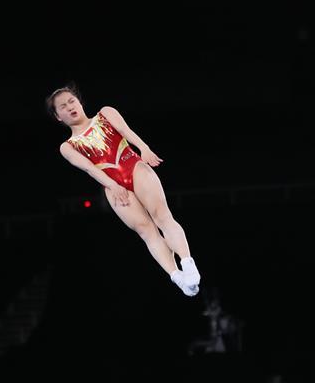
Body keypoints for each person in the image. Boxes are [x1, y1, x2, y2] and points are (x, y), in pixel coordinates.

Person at [47, 84, 201, 296]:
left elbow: (127, 132)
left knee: (162, 217)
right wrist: (112, 185)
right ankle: (177, 277)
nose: (70, 107)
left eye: (72, 101)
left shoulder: (105, 113)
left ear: (80, 102)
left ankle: (188, 262)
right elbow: (90, 169)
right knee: (146, 231)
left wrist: (144, 148)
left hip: (133, 165)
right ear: (58, 117)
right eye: (63, 106)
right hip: (112, 184)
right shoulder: (68, 146)